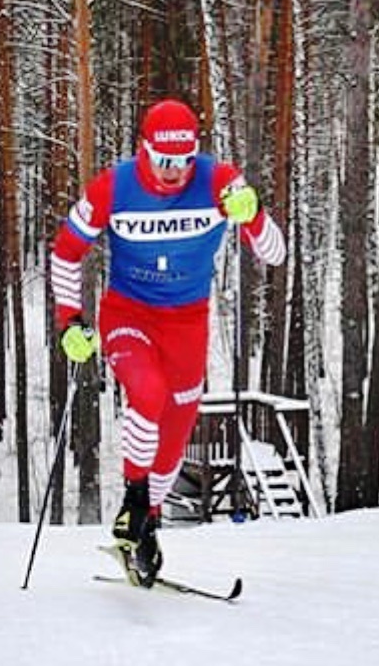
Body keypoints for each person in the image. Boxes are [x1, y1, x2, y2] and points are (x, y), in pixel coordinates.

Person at [49, 98, 286, 584]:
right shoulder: (114, 185)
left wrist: (254, 213)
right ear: (144, 150)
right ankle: (133, 503)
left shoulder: (219, 181)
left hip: (188, 322)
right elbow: (66, 252)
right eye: (163, 161)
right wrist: (70, 322)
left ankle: (146, 524)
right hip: (128, 314)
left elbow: (275, 255)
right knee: (147, 393)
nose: (175, 172)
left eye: (183, 160)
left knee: (175, 436)